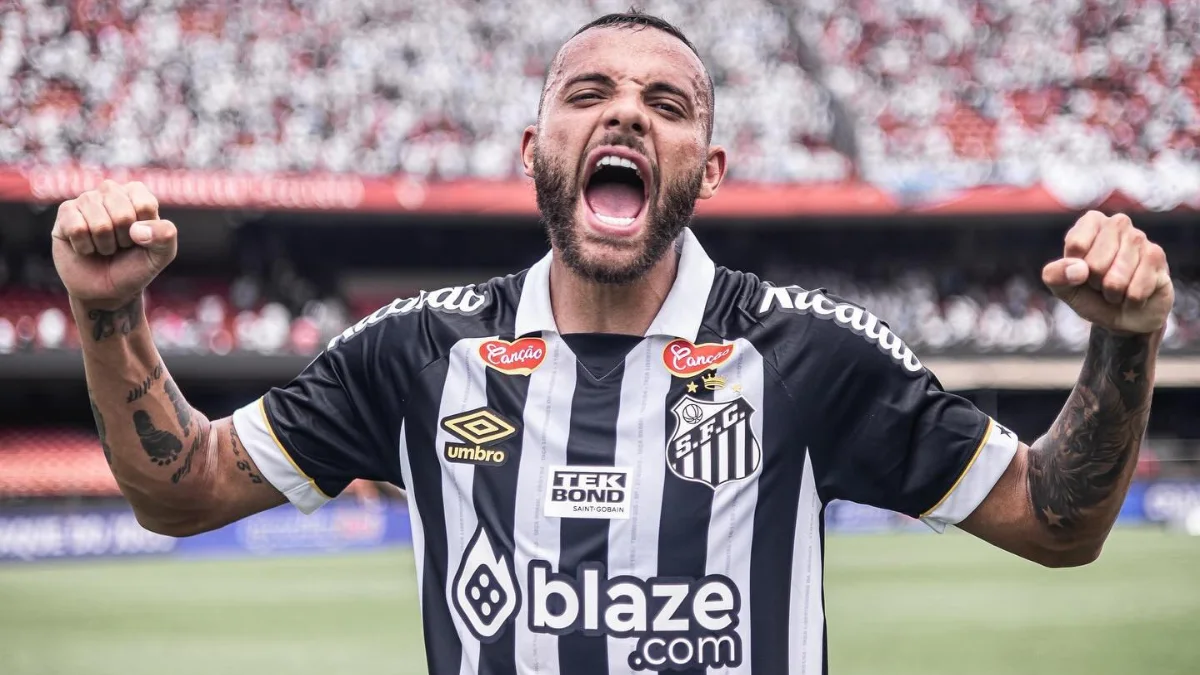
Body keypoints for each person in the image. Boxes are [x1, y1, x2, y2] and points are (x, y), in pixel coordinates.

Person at [51, 11, 1173, 675]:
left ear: (709, 170)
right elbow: (184, 491)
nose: (627, 113)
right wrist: (108, 312)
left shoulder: (811, 355)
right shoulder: (415, 353)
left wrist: (1126, 343)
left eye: (667, 105)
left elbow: (1058, 523)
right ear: (534, 150)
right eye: (588, 93)